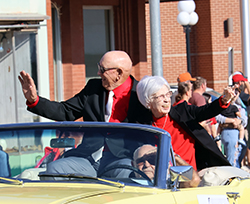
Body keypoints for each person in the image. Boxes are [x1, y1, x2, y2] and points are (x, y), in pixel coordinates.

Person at [19, 50, 153, 178]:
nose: (98, 73)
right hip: (87, 157)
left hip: (122, 159)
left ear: (118, 73)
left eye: (102, 69)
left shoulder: (140, 95)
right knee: (54, 169)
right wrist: (34, 100)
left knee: (129, 175)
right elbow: (66, 111)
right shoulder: (93, 88)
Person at [136, 75, 235, 172]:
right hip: (162, 178)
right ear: (149, 101)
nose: (167, 99)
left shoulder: (183, 111)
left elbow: (205, 111)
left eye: (168, 94)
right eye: (161, 96)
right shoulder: (143, 126)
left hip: (191, 178)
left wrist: (224, 100)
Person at [132, 144, 201, 187]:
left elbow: (194, 180)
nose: (147, 165)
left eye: (152, 160)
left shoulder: (169, 182)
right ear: (133, 164)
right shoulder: (125, 183)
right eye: (140, 161)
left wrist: (174, 157)